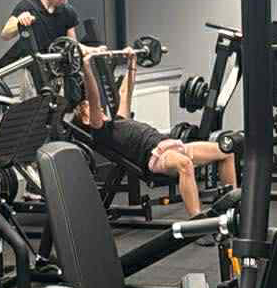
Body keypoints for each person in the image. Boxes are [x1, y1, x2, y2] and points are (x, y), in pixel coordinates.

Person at [77, 48, 237, 218]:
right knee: (184, 164)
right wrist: (87, 68)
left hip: (171, 144)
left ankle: (233, 207)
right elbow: (94, 98)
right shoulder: (101, 132)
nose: (99, 108)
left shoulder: (119, 119)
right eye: (88, 108)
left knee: (226, 151)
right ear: (87, 120)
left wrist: (132, 62)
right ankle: (197, 221)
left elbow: (125, 92)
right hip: (156, 157)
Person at [0, 0, 77, 62]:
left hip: (57, 66)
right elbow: (5, 35)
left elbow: (73, 45)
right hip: (35, 66)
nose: (63, 1)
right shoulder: (27, 6)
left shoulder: (67, 11)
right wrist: (20, 21)